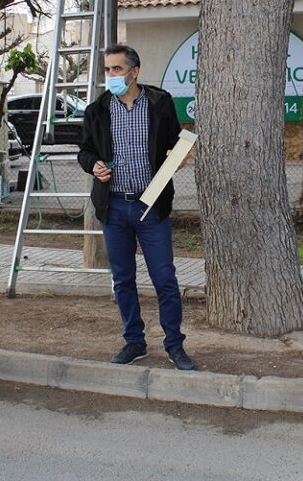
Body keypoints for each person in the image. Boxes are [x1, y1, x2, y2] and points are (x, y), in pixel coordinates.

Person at [78, 43, 196, 371]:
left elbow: (174, 144)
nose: (111, 75)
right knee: (123, 279)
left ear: (135, 71)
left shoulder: (160, 103)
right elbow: (84, 151)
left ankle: (174, 344)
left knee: (165, 278)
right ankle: (134, 341)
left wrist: (177, 157)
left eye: (117, 69)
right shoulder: (97, 110)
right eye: (107, 70)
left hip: (151, 206)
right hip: (114, 207)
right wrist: (94, 166)